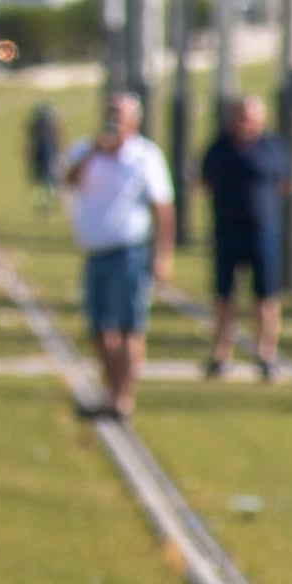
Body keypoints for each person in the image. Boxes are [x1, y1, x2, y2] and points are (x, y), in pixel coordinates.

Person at [57, 86, 179, 419]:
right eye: (108, 114)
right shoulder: (87, 150)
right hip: (94, 253)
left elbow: (163, 208)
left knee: (129, 327)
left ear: (133, 121)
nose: (112, 121)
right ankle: (110, 391)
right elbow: (67, 180)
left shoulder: (145, 156)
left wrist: (163, 254)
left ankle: (123, 398)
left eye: (118, 115)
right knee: (99, 329)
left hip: (129, 252)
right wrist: (93, 151)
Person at [196, 96, 290, 381]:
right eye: (239, 116)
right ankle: (220, 355)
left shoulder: (272, 147)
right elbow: (205, 181)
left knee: (265, 298)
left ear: (260, 120)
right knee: (224, 297)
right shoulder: (218, 148)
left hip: (261, 232)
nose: (243, 123)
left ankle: (265, 354)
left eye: (248, 117)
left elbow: (286, 182)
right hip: (226, 231)